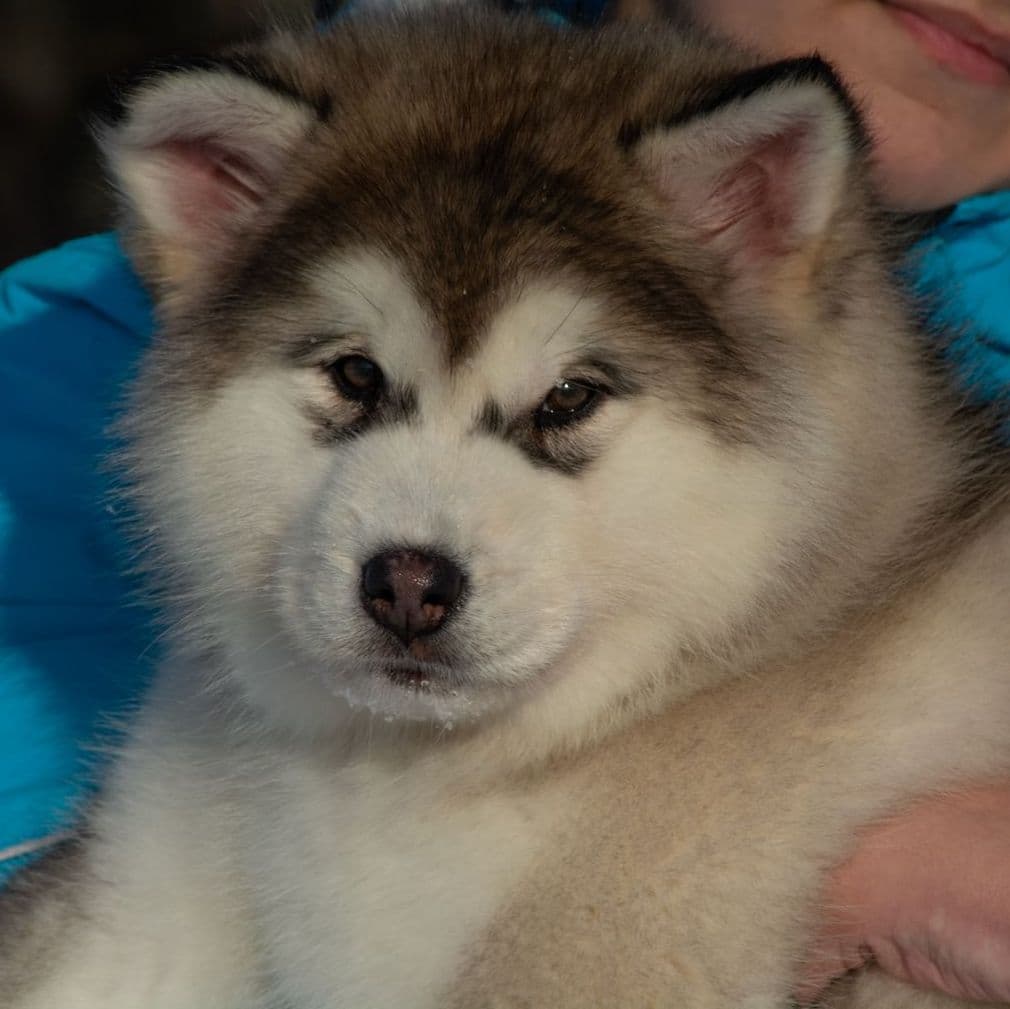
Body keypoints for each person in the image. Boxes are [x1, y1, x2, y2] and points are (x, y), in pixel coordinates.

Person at [0, 0, 1007, 1003]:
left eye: (564, 403)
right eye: (354, 379)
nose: (414, 562)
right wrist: (868, 874)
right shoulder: (48, 364)